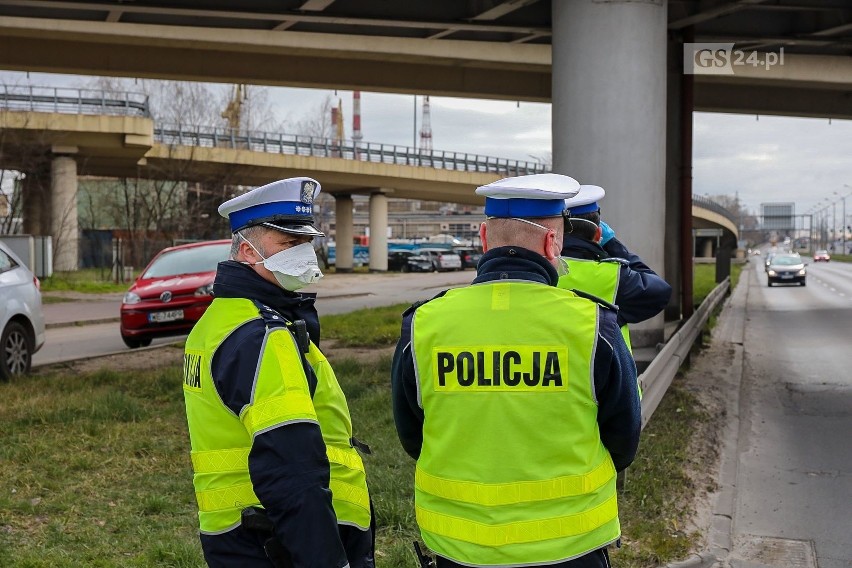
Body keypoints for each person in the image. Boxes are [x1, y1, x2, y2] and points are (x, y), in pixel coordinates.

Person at [391, 173, 641, 567]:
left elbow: (411, 435)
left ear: (483, 238)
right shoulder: (593, 325)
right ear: (551, 242)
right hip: (570, 548)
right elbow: (624, 438)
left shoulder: (423, 323)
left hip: (460, 548)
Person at [182, 177, 374, 568]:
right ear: (248, 252)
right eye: (288, 244)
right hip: (278, 542)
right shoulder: (262, 334)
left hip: (238, 537)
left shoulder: (219, 321)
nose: (303, 254)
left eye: (305, 243)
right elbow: (293, 472)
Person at [558, 184, 672, 351]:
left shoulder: (539, 273)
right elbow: (660, 291)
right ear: (598, 234)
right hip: (610, 375)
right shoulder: (616, 277)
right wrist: (612, 243)